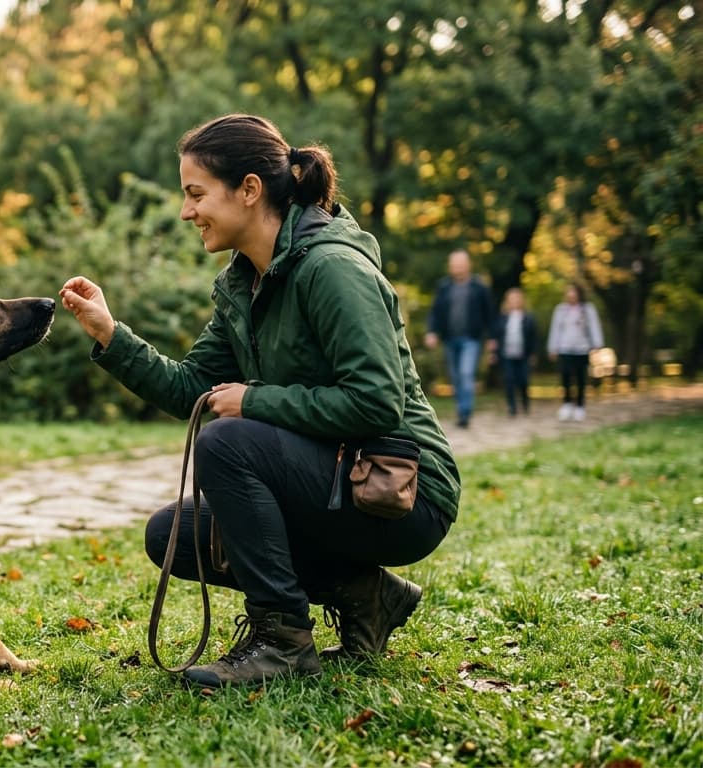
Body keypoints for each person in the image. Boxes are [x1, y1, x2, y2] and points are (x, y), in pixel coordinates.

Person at [58, 114, 460, 689]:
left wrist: (256, 401)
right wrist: (110, 334)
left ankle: (283, 641)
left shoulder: (332, 268)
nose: (185, 212)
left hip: (403, 491)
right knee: (174, 536)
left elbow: (376, 403)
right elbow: (191, 389)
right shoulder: (243, 283)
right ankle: (367, 596)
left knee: (226, 440)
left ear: (249, 190)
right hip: (334, 480)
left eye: (196, 194)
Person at [423, 250, 496, 428]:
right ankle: (461, 409)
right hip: (450, 338)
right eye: (454, 264)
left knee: (466, 373)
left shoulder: (479, 287)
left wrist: (492, 338)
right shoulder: (444, 287)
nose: (457, 268)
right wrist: (431, 331)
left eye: (460, 264)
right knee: (456, 377)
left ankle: (465, 412)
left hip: (471, 338)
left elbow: (489, 314)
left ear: (468, 265)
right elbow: (436, 311)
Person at [546, 282, 604, 421]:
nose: (571, 295)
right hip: (565, 348)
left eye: (573, 292)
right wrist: (552, 348)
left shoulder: (587, 309)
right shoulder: (560, 310)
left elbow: (594, 327)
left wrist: (597, 345)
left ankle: (580, 406)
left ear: (579, 294)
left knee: (581, 377)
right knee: (565, 376)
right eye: (568, 292)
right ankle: (566, 404)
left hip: (581, 349)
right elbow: (555, 330)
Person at [490, 287, 538, 416]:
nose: (514, 301)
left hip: (523, 355)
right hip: (506, 354)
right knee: (509, 380)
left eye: (517, 299)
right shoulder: (502, 317)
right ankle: (512, 407)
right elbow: (496, 336)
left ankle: (525, 403)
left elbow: (533, 337)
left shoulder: (528, 318)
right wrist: (493, 352)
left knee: (523, 380)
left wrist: (533, 354)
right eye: (511, 299)